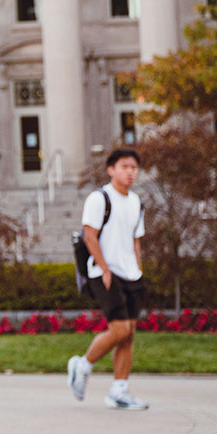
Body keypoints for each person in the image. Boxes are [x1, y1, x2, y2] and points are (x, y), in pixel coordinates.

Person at [68, 148, 148, 410]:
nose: (130, 172)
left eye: (134, 168)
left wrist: (138, 267)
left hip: (130, 273)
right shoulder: (99, 198)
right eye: (124, 167)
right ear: (111, 169)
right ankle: (83, 365)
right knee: (119, 329)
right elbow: (90, 236)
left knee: (129, 334)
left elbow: (136, 238)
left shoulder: (136, 202)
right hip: (104, 272)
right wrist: (104, 268)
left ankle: (119, 391)